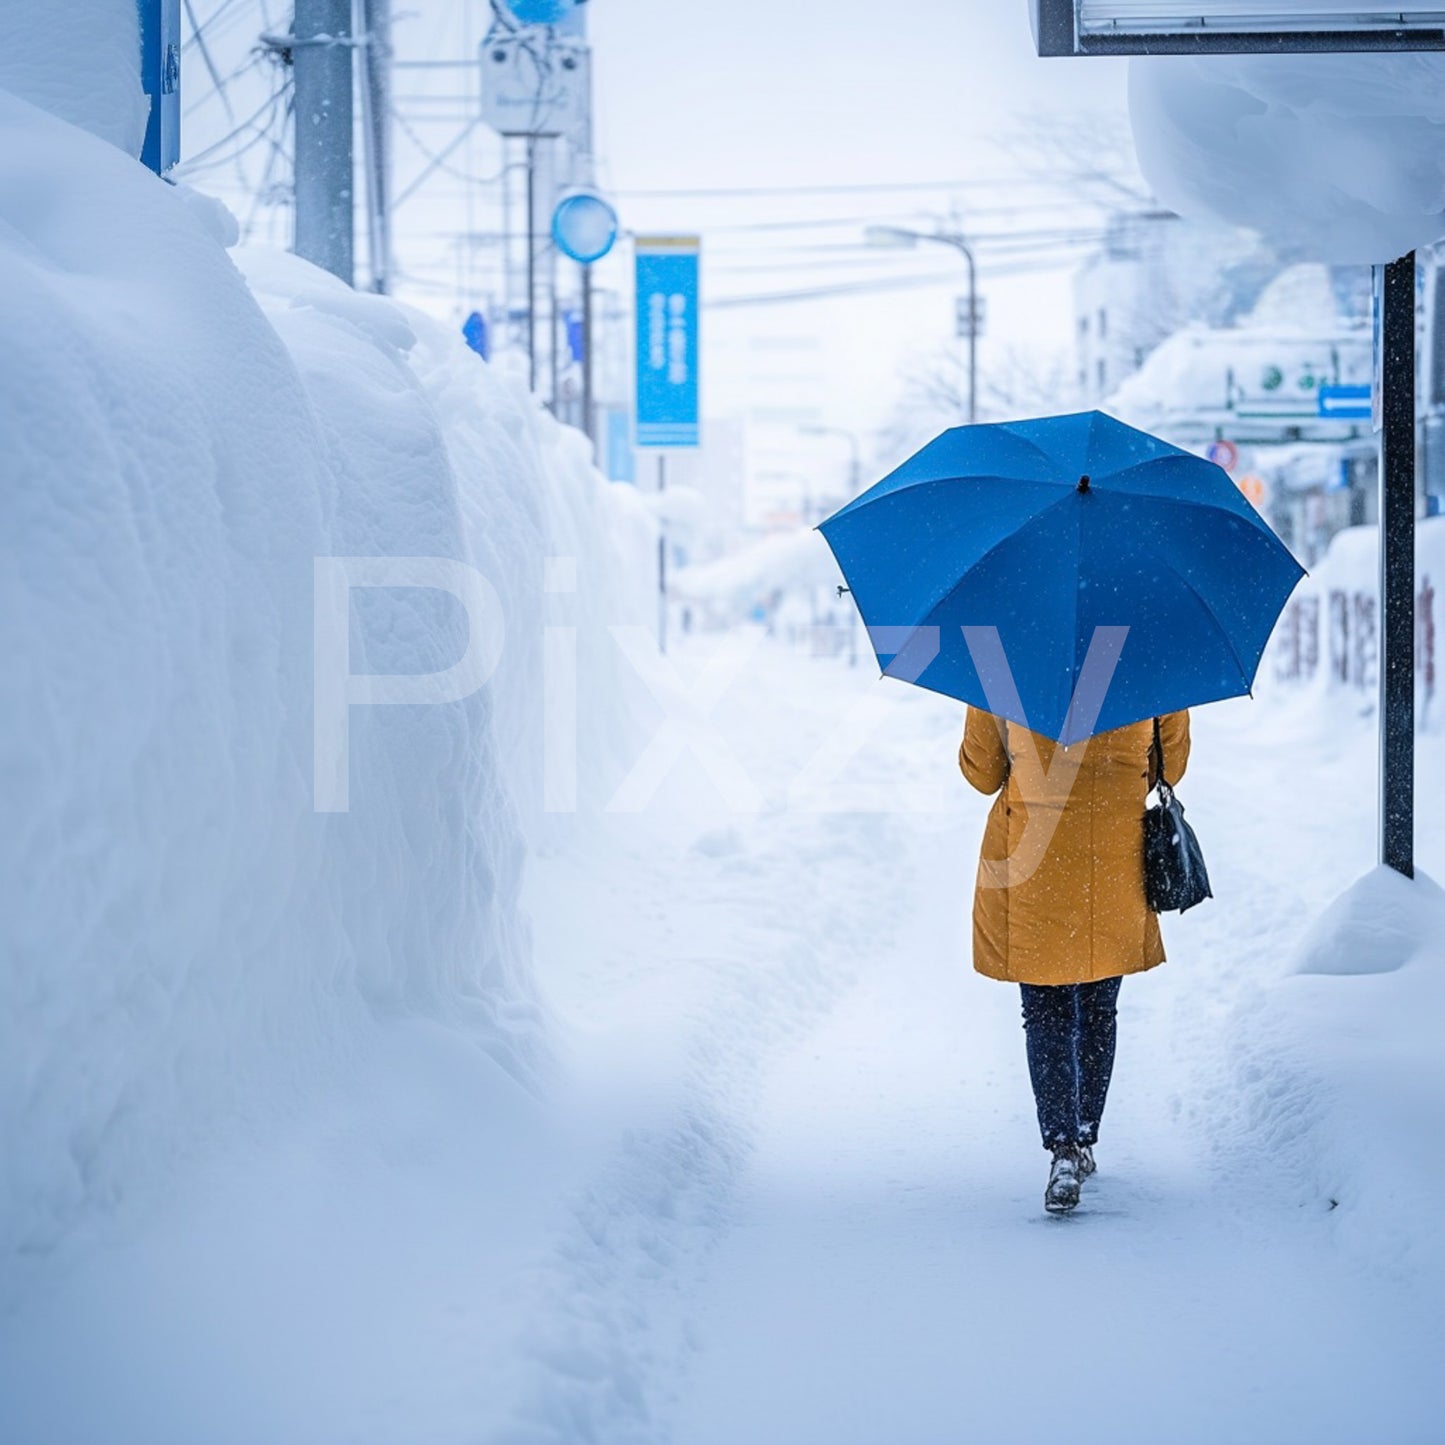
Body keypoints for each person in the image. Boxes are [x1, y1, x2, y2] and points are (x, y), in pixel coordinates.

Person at [959, 707, 1191, 1214]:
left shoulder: (1009, 659)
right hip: (1115, 860)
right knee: (1098, 1007)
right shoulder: (1144, 656)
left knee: (1045, 1011)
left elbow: (982, 775)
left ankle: (1062, 1146)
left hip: (1033, 857)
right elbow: (1169, 767)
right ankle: (1084, 1137)